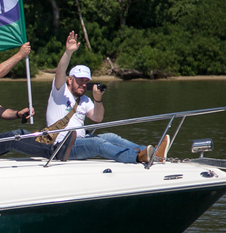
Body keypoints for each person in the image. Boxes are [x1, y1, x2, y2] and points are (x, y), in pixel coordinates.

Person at [45, 31, 168, 164]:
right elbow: (60, 72)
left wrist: (98, 99)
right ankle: (137, 157)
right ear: (70, 80)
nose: (83, 84)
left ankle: (153, 153)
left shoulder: (85, 100)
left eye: (86, 81)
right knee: (96, 143)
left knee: (111, 137)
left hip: (80, 141)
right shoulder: (60, 92)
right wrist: (68, 52)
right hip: (63, 147)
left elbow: (97, 118)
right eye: (80, 80)